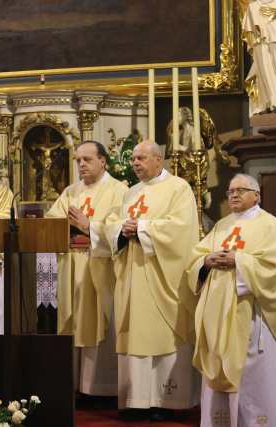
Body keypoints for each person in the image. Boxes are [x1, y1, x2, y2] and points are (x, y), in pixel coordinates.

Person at [187, 173, 276, 426]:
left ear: (257, 195)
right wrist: (206, 261)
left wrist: (238, 261)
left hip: (254, 319)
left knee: (253, 378)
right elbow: (196, 257)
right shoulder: (222, 225)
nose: (233, 195)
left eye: (241, 190)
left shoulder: (270, 225)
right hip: (218, 319)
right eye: (231, 191)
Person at [105, 140, 200, 420]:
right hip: (133, 275)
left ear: (159, 160)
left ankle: (165, 401)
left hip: (162, 276)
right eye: (134, 159)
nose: (135, 163)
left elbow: (182, 229)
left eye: (141, 158)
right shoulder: (130, 193)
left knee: (163, 335)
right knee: (135, 334)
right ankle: (135, 401)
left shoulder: (178, 188)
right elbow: (114, 225)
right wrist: (122, 230)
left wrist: (143, 228)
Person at [45, 141, 128, 397]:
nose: (81, 164)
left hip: (99, 267)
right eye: (78, 160)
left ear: (103, 161)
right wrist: (64, 227)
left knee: (97, 322)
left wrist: (87, 225)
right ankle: (73, 386)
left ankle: (100, 388)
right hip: (71, 265)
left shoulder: (120, 191)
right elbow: (51, 221)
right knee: (72, 322)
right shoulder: (71, 192)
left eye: (87, 159)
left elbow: (119, 231)